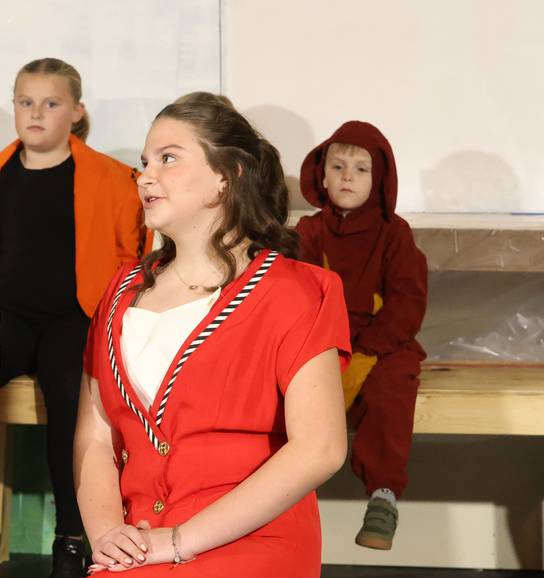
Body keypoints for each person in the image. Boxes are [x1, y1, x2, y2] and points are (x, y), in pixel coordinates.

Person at [74, 92, 351, 576]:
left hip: (251, 543)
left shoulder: (296, 292)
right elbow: (95, 438)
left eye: (169, 159)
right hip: (138, 545)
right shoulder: (119, 292)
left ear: (226, 178)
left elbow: (320, 448)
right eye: (144, 163)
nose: (146, 177)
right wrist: (106, 536)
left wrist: (179, 542)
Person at [0, 57, 148, 578]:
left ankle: (73, 534)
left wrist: (114, 319)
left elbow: (129, 255)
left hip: (75, 316)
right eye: (26, 102)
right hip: (8, 318)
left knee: (72, 399)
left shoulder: (113, 180)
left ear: (76, 111)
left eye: (51, 103)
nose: (36, 113)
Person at [295, 120, 428, 550]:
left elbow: (407, 301)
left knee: (391, 390)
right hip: (323, 341)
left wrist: (370, 351)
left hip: (382, 343)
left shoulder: (395, 233)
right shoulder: (309, 232)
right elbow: (297, 296)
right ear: (321, 174)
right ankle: (283, 492)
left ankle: (383, 496)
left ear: (381, 179)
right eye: (337, 166)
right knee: (284, 387)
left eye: (360, 169)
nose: (347, 177)